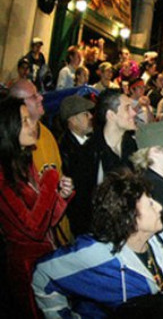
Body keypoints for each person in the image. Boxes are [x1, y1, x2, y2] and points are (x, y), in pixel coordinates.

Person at [33, 172, 163, 317]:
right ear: (128, 217)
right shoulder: (95, 254)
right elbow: (43, 274)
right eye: (150, 204)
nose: (160, 207)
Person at [0, 97, 74, 318]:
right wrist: (50, 181)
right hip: (26, 267)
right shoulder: (3, 175)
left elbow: (47, 221)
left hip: (46, 258)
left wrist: (61, 196)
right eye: (24, 121)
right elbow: (34, 229)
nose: (33, 125)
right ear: (8, 127)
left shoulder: (23, 162)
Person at [67, 89, 138, 235]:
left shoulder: (130, 144)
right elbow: (82, 207)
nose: (134, 113)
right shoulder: (89, 154)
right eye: (127, 108)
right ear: (111, 115)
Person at [57, 94, 95, 172]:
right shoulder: (65, 149)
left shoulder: (94, 139)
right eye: (85, 114)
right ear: (72, 120)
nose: (91, 116)